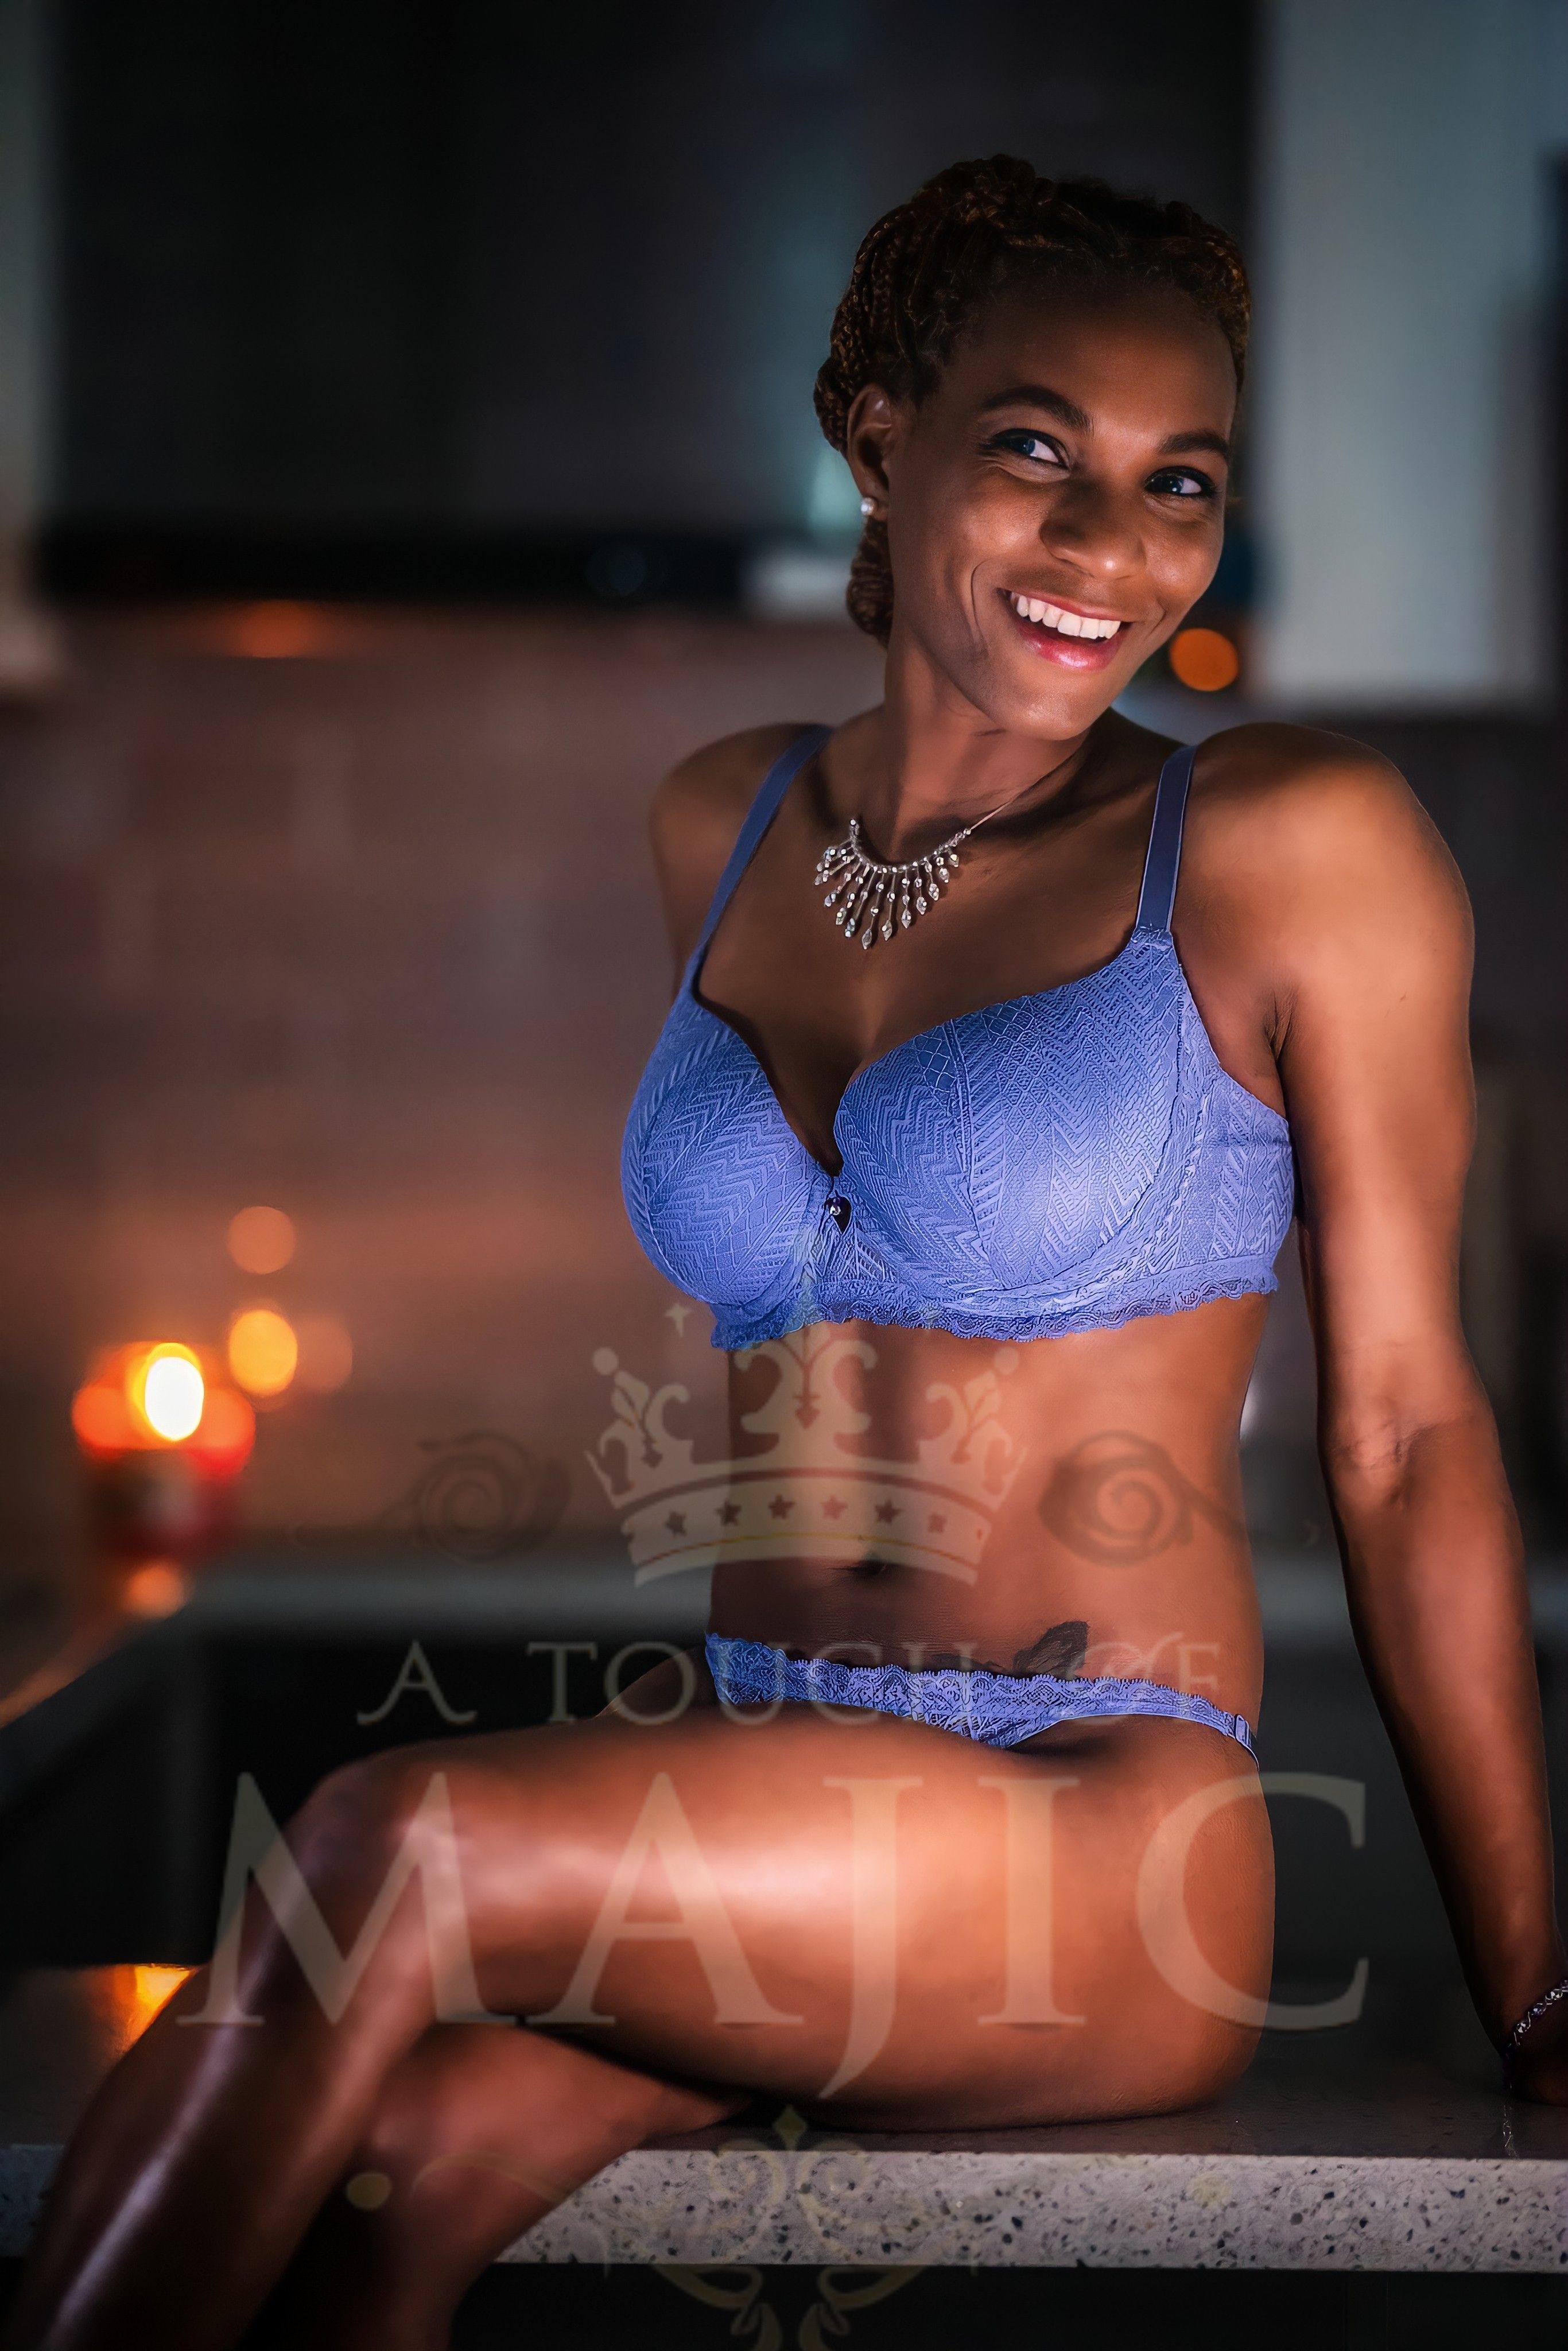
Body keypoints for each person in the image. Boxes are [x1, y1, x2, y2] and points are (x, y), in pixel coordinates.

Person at [5, 154, 1565, 2351]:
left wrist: (1544, 1982)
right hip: (782, 1802)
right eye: (1038, 456)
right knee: (401, 2178)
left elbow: (1403, 1434)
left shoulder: (1287, 846)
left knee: (392, 1846)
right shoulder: (720, 822)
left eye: (1179, 483)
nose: (1112, 550)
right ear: (873, 435)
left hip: (1089, 1835)